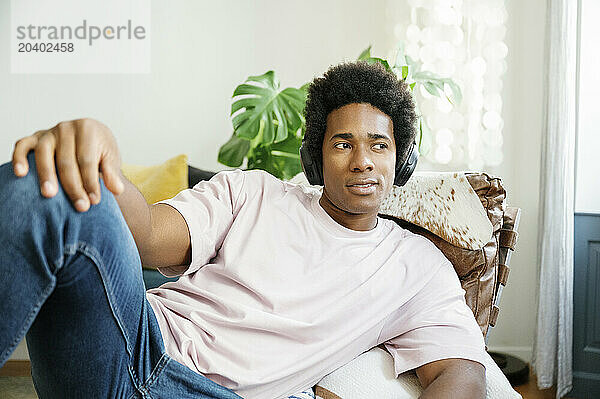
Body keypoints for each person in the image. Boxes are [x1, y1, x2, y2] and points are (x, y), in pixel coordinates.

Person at [0, 61, 486, 398]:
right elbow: (145, 237)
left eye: (379, 145)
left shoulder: (419, 268)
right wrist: (102, 167)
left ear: (401, 158)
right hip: (130, 345)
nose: (362, 162)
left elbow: (462, 374)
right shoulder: (253, 193)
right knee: (44, 180)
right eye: (343, 144)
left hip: (202, 395)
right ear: (316, 157)